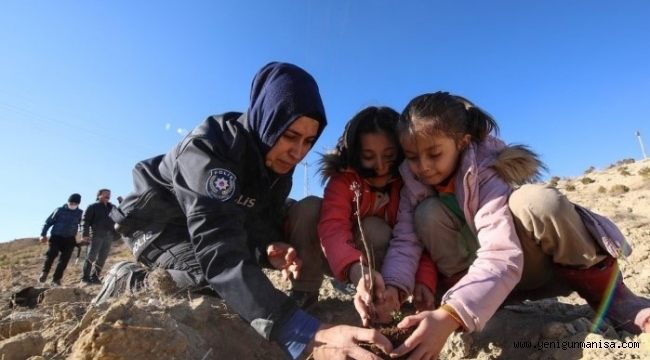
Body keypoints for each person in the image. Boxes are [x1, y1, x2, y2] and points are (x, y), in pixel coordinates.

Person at [94, 62, 393, 360]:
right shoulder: (209, 149)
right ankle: (131, 279)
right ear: (267, 120)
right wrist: (304, 332)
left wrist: (266, 249)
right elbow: (219, 248)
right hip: (159, 223)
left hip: (206, 225)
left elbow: (254, 217)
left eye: (308, 141)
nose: (298, 152)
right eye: (290, 136)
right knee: (213, 287)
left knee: (239, 288)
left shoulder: (275, 160)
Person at [362, 91, 650, 358]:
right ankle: (481, 306)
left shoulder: (485, 170)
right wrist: (395, 287)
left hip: (536, 268)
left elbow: (502, 253)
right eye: (412, 157)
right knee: (427, 213)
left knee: (536, 202)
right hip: (485, 287)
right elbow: (406, 240)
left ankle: (611, 297)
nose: (423, 166)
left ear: (462, 142)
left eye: (434, 154)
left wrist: (451, 314)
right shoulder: (414, 184)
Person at [318, 106, 437, 324]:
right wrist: (357, 270)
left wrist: (424, 280)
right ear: (354, 154)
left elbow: (415, 239)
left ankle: (386, 298)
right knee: (371, 229)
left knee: (379, 230)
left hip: (398, 272)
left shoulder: (409, 186)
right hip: (348, 265)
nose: (381, 167)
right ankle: (307, 293)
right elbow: (332, 228)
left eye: (390, 156)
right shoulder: (344, 181)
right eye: (368, 157)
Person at [38, 193, 83, 286]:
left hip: (70, 239)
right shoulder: (59, 210)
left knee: (64, 260)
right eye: (71, 202)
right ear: (68, 201)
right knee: (51, 255)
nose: (73, 205)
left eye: (75, 203)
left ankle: (56, 279)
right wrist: (43, 234)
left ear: (78, 204)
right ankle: (44, 273)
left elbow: (82, 226)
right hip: (56, 237)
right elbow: (48, 223)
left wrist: (84, 236)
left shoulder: (80, 213)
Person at [80, 188, 118, 284]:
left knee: (102, 257)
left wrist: (121, 202)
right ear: (99, 195)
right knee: (91, 256)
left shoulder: (112, 207)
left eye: (109, 194)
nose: (108, 196)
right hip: (96, 234)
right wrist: (85, 234)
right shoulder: (93, 206)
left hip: (109, 235)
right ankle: (85, 278)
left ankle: (95, 277)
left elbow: (120, 216)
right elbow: (85, 221)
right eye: (106, 194)